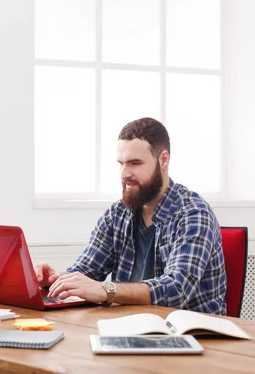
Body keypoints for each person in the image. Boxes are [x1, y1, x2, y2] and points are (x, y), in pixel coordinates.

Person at [35, 117, 227, 315]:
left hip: (192, 335)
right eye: (121, 163)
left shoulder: (193, 213)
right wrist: (55, 280)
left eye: (135, 163)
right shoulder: (117, 214)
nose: (124, 173)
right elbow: (86, 271)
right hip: (130, 328)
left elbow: (177, 290)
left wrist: (107, 290)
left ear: (163, 159)